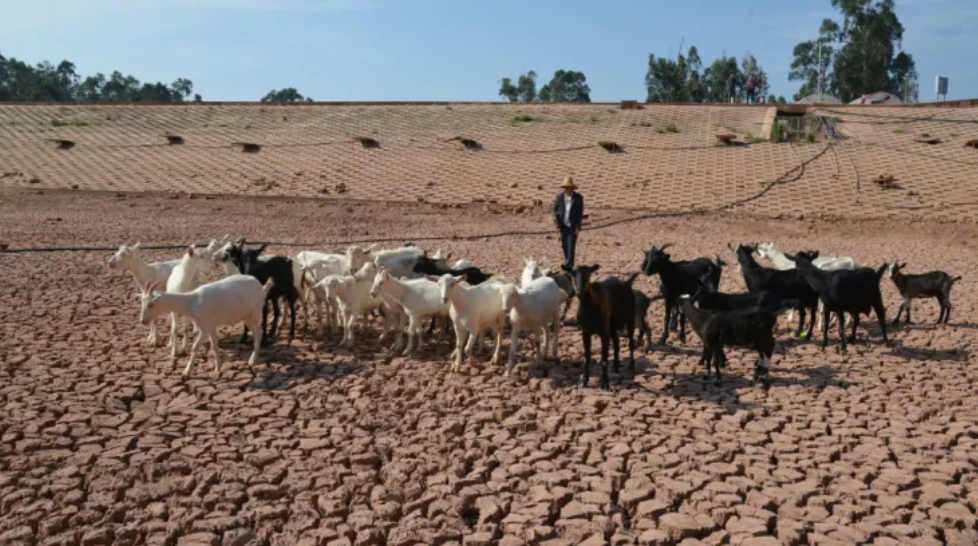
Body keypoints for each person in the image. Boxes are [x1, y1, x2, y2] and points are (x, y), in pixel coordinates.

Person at [552, 176, 584, 270]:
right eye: (565, 187)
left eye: (568, 187)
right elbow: (553, 209)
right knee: (564, 245)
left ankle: (569, 265)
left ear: (572, 187)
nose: (567, 189)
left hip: (573, 226)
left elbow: (579, 213)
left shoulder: (578, 198)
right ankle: (567, 262)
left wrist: (578, 226)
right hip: (562, 225)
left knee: (571, 246)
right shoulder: (560, 197)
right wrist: (555, 217)